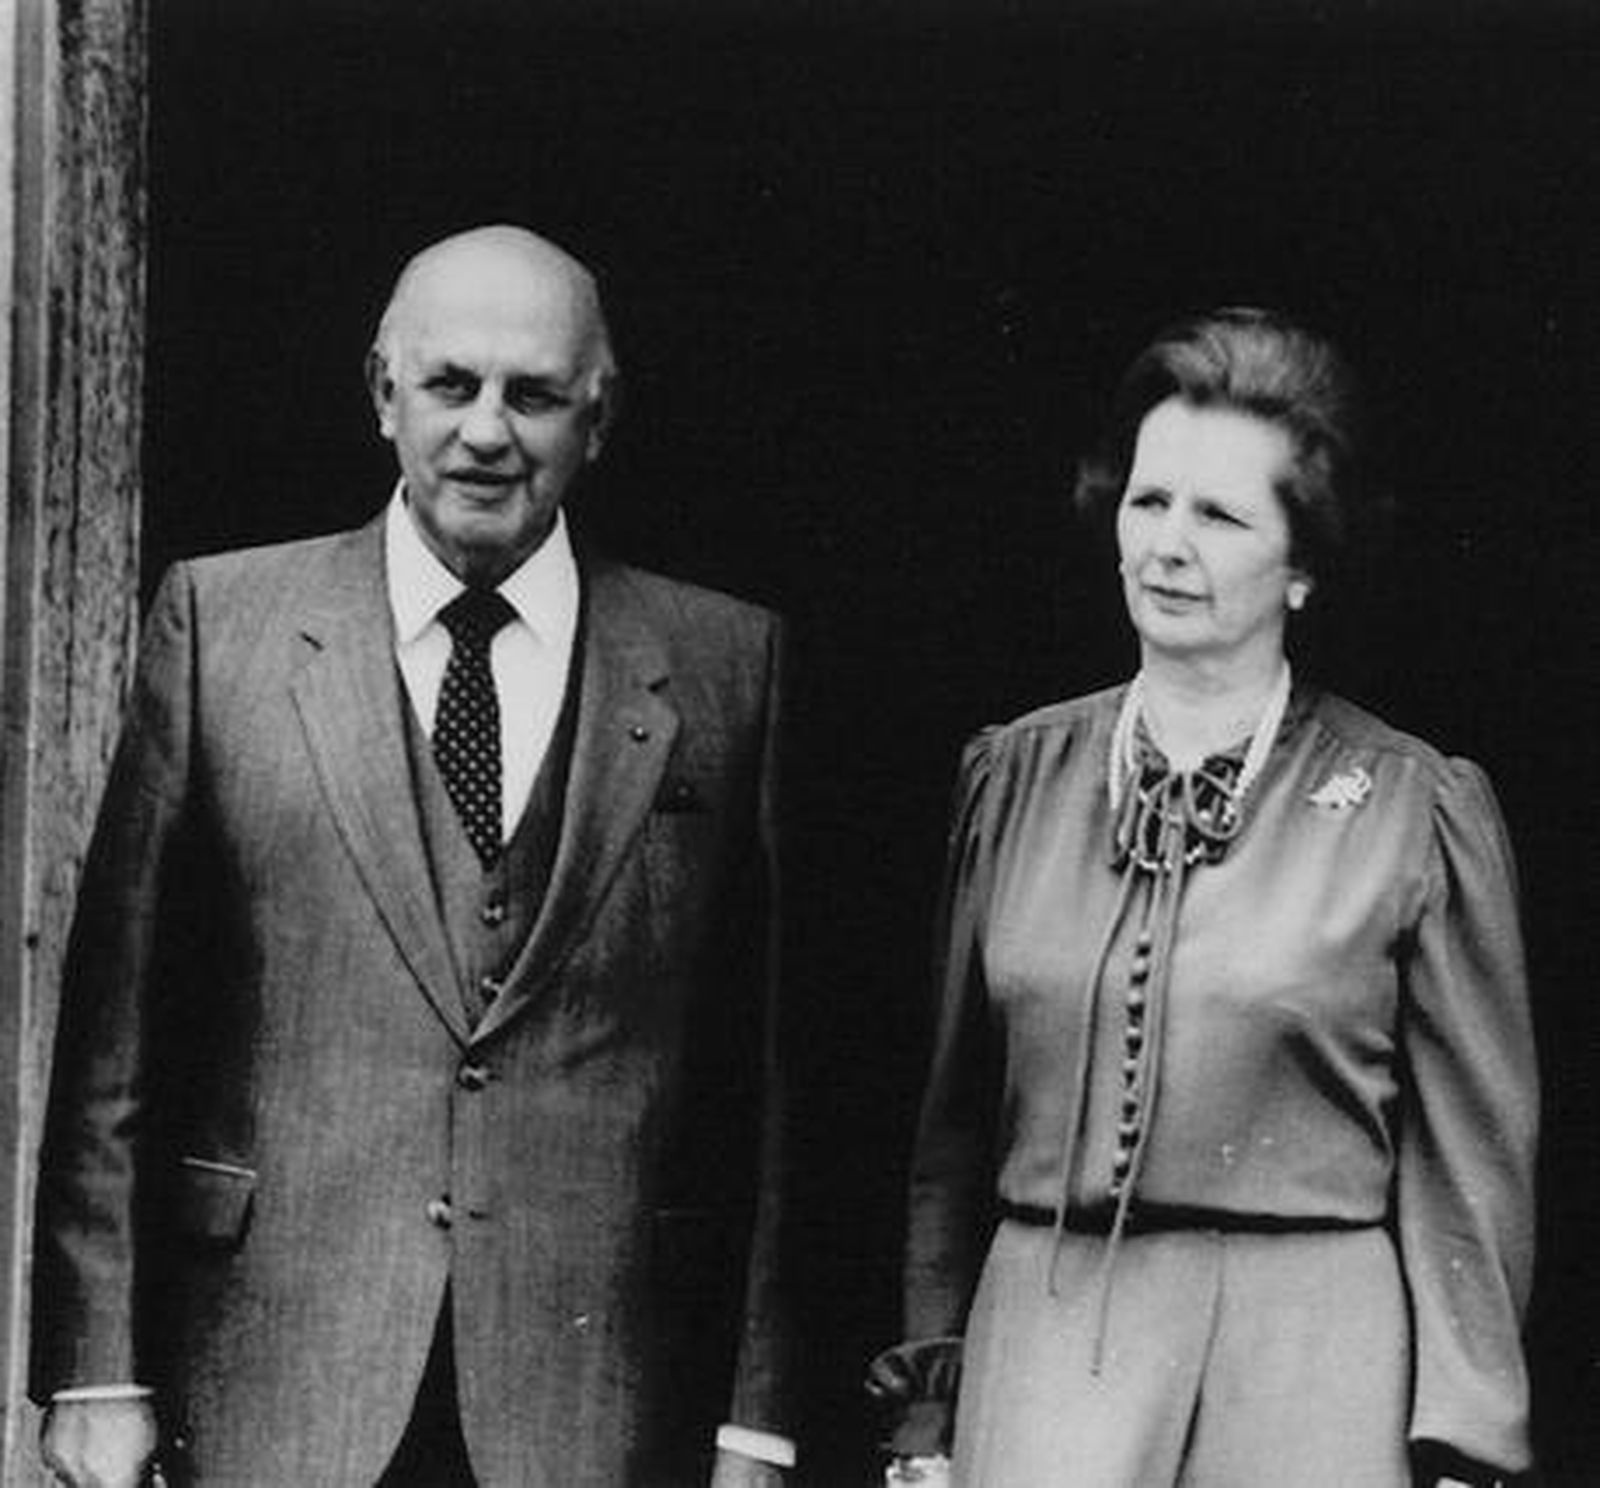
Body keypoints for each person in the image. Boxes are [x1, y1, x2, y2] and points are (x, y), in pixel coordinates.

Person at [31, 225, 793, 1487]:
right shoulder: (223, 628)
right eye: (451, 385)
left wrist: (756, 1418)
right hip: (279, 1365)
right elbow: (118, 1035)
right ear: (383, 392)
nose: (486, 431)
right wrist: (95, 1368)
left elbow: (766, 1080)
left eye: (533, 394)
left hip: (599, 1391)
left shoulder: (726, 665)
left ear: (598, 420)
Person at [873, 308, 1537, 1485]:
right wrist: (925, 1408)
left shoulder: (1411, 808)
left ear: (1303, 562)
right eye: (1147, 500)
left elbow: (1469, 1170)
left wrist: (1465, 1444)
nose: (1167, 545)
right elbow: (950, 1123)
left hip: (1315, 1367)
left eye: (1221, 515)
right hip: (1050, 1349)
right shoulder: (1013, 778)